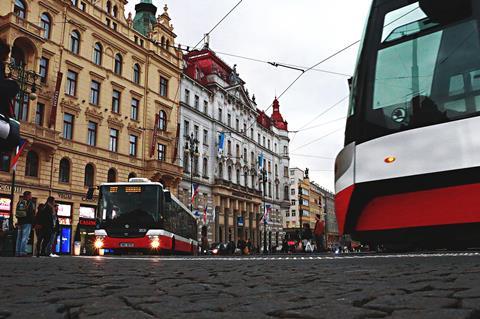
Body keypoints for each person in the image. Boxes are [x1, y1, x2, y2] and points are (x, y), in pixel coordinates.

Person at [15, 191, 35, 257]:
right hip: (27, 222)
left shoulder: (20, 202)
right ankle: (23, 252)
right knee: (25, 238)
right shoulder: (30, 203)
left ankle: (17, 252)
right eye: (30, 195)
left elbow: (17, 213)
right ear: (28, 196)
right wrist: (33, 223)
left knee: (19, 238)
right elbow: (31, 214)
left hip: (20, 222)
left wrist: (18, 221)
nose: (31, 196)